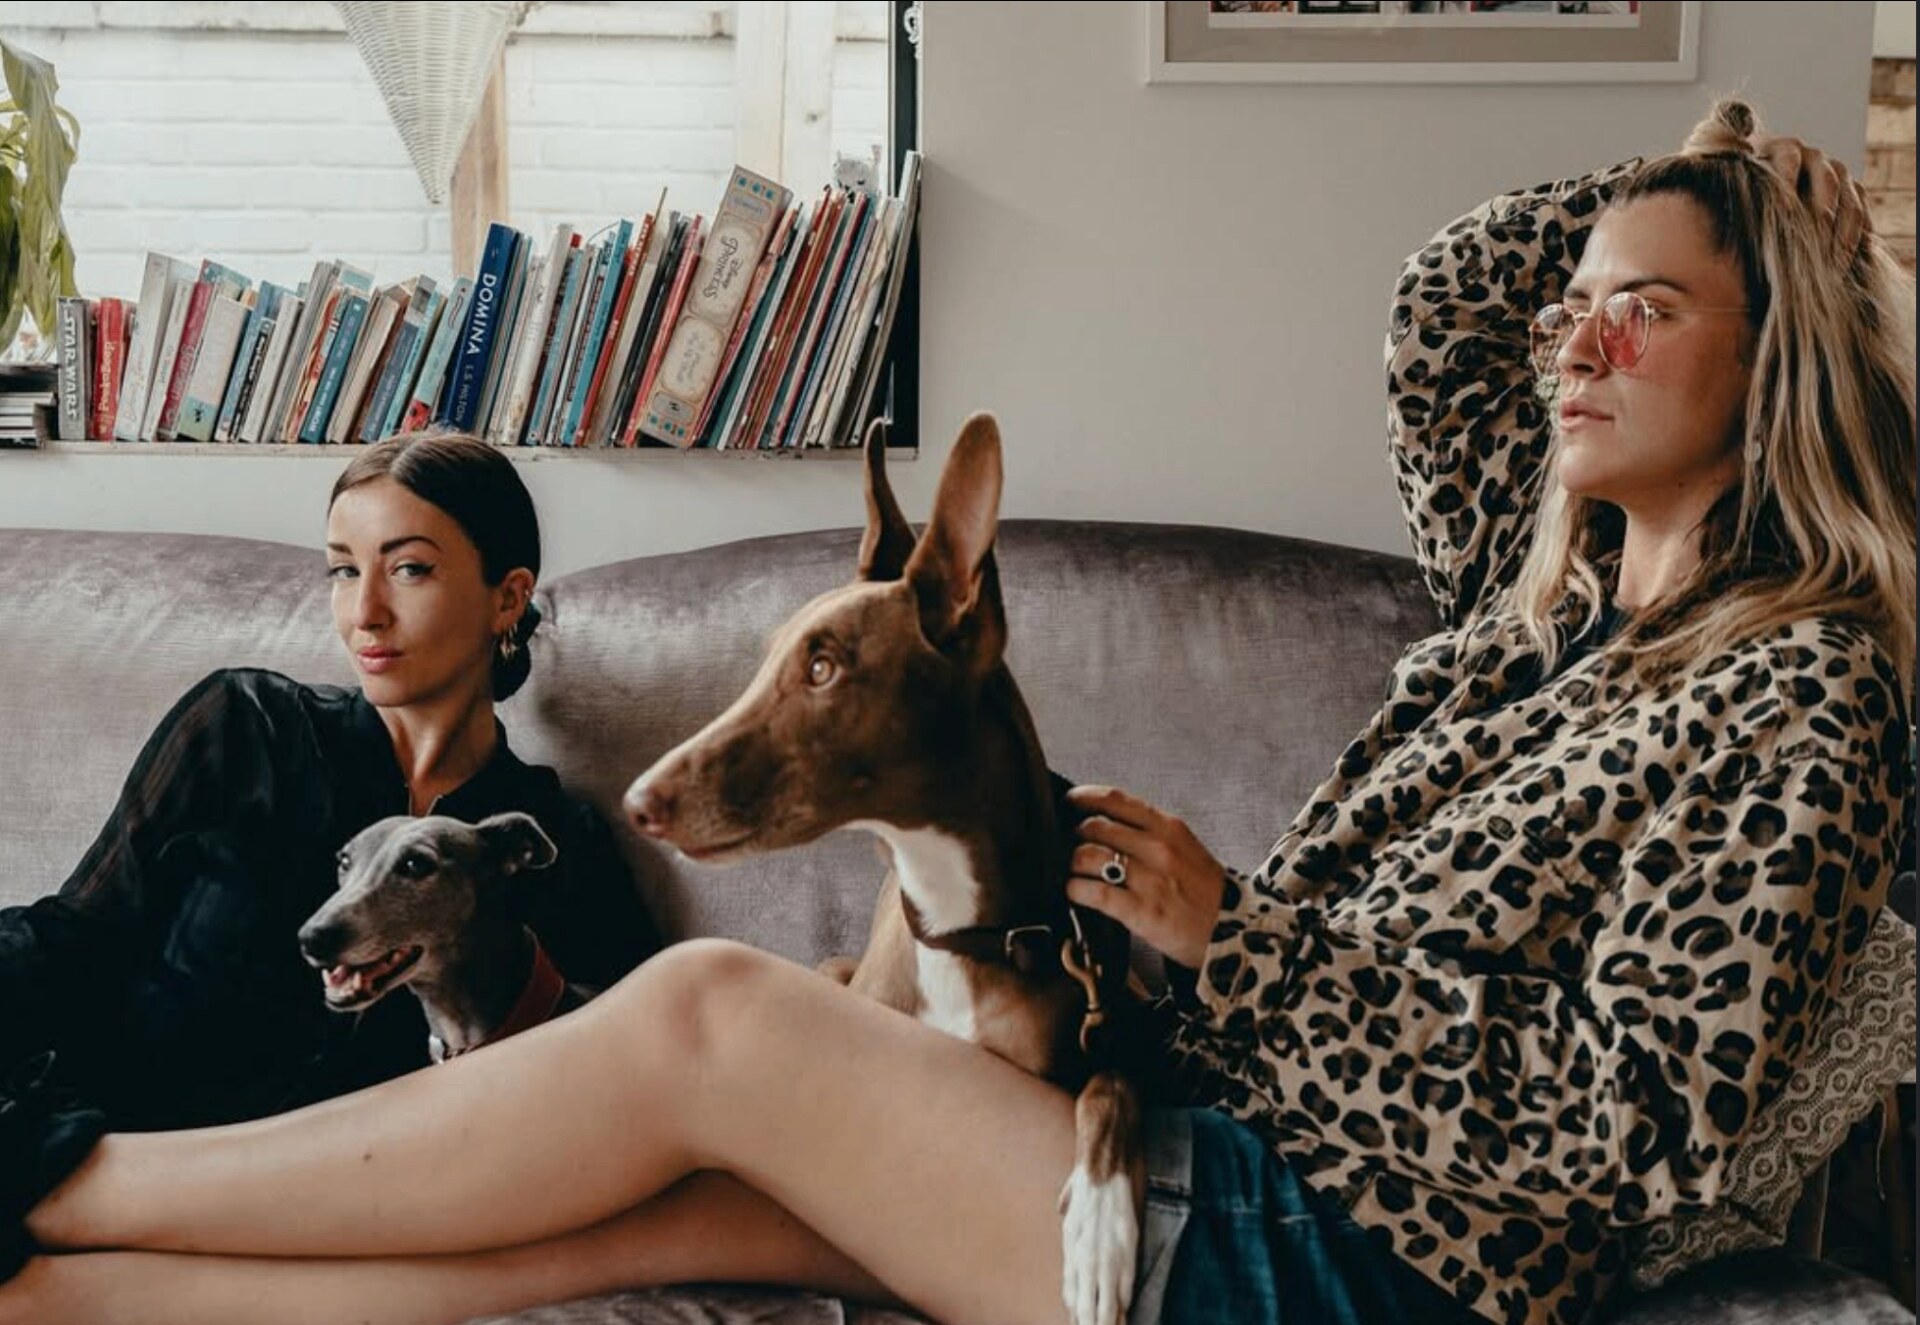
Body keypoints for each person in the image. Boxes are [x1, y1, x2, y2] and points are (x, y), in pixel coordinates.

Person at [1, 100, 1912, 1325]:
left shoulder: (1800, 695)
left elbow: (1628, 1126)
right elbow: (1443, 310)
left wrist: (1245, 951)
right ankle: (59, 1286)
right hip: (1197, 1131)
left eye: (1645, 306)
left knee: (710, 1012)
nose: (1574, 334)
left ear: (1783, 353)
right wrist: (1679, 170)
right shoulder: (1542, 601)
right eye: (1583, 299)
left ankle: (62, 1169)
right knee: (616, 1226)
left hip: (1357, 1255)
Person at [0, 431, 664, 1220]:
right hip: (90, 1133)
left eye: (409, 567)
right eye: (344, 570)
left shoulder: (547, 840)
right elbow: (77, 933)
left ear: (507, 597)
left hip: (325, 1207)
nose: (364, 612)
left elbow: (639, 1064)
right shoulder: (250, 727)